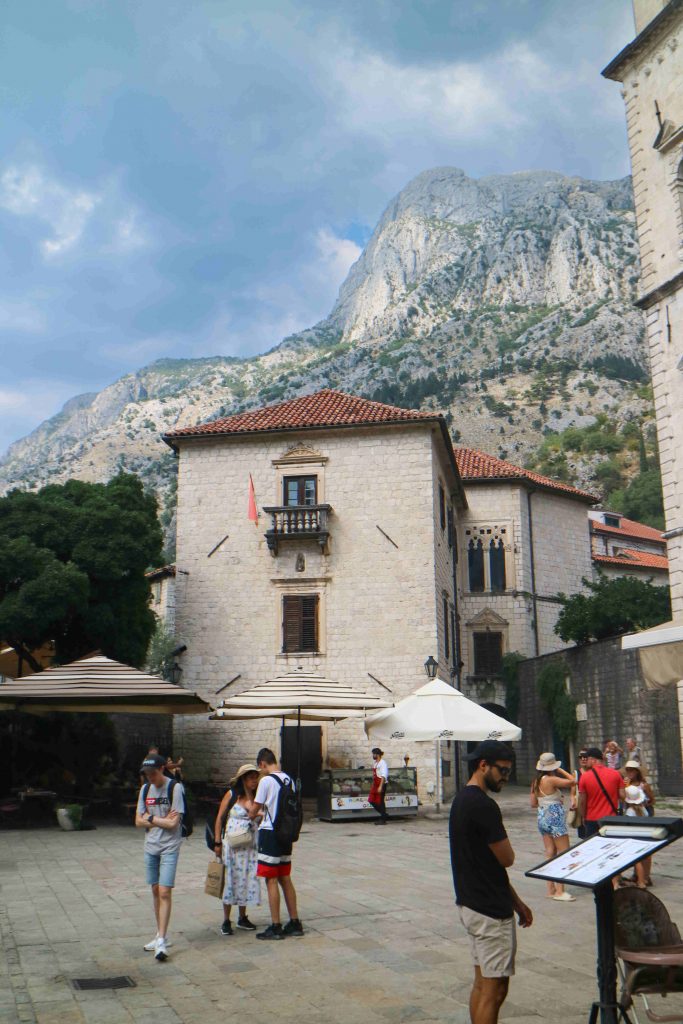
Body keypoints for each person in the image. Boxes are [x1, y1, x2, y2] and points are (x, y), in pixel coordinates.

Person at [450, 741, 533, 1024]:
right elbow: (506, 858)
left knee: (481, 984)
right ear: (483, 765)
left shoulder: (461, 799)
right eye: (502, 771)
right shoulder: (484, 805)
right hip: (489, 911)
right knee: (494, 991)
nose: (505, 778)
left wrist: (517, 901)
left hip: (472, 902)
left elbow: (485, 863)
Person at [249, 748, 303, 940]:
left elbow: (254, 809)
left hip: (270, 833)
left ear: (263, 764)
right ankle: (295, 922)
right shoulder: (289, 779)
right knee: (285, 877)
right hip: (286, 833)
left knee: (270, 879)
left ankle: (276, 925)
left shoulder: (266, 781)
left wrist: (252, 813)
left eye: (259, 767)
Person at [135, 753, 184, 961]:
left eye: (153, 773)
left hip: (170, 846)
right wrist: (160, 820)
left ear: (162, 769)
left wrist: (151, 818)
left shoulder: (175, 788)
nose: (150, 778)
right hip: (151, 846)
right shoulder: (145, 789)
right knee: (155, 890)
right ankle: (158, 933)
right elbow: (137, 821)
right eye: (147, 774)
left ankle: (162, 940)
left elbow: (174, 824)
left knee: (165, 891)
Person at [213, 764, 261, 935]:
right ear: (243, 779)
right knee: (230, 879)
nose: (254, 781)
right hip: (232, 847)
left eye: (256, 777)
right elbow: (219, 818)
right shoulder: (232, 795)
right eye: (250, 777)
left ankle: (242, 916)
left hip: (249, 846)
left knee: (246, 878)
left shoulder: (257, 797)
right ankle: (226, 919)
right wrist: (217, 842)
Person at [529, 752, 576, 902]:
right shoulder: (552, 779)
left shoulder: (536, 782)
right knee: (563, 852)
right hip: (555, 817)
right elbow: (573, 781)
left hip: (542, 816)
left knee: (550, 852)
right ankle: (560, 891)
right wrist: (560, 769)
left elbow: (533, 804)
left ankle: (550, 889)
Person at [578, 747, 625, 838]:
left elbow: (582, 802)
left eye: (587, 759)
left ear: (593, 760)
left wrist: (583, 816)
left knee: (593, 848)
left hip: (592, 819)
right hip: (611, 818)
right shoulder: (616, 774)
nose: (585, 761)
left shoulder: (585, 777)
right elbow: (623, 796)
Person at [624, 761, 655, 887]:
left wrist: (642, 805)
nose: (630, 772)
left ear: (637, 771)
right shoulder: (627, 784)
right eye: (628, 770)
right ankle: (637, 875)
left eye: (632, 770)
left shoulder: (644, 785)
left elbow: (653, 800)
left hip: (643, 815)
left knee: (646, 849)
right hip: (633, 814)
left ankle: (646, 876)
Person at [368, 747, 389, 824]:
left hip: (381, 783)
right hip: (375, 784)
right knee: (371, 800)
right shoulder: (375, 763)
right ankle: (384, 814)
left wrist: (380, 786)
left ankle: (383, 819)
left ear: (378, 754)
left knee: (380, 801)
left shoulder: (383, 763)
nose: (373, 755)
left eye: (374, 754)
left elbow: (384, 775)